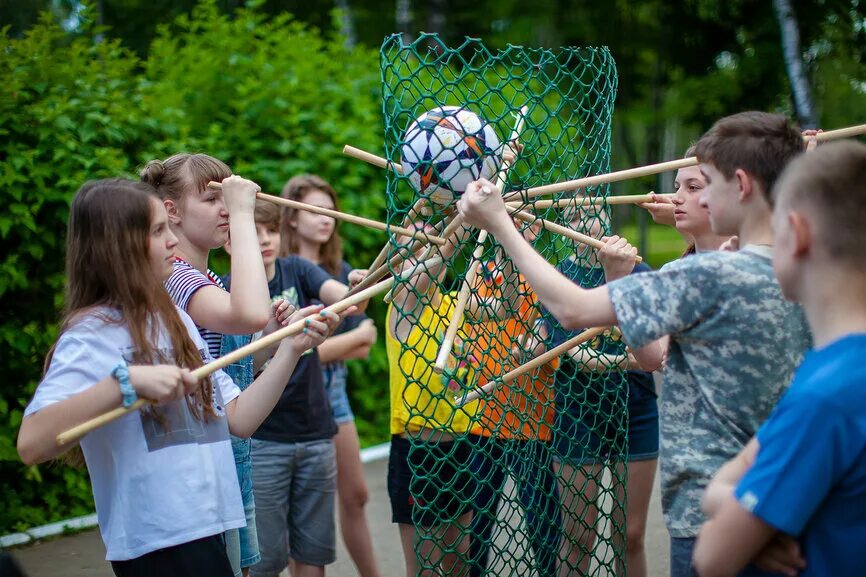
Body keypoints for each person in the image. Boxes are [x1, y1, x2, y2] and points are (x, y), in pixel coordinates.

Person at [456, 111, 812, 577]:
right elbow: (656, 355)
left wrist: (499, 223)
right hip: (786, 500)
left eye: (702, 183)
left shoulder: (704, 276)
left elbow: (574, 309)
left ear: (740, 185)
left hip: (714, 517)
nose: (685, 196)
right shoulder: (805, 269)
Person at [16, 179, 342, 577]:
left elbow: (238, 417)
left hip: (212, 526)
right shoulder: (91, 334)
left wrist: (291, 347)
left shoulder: (175, 321)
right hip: (157, 542)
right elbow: (32, 443)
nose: (173, 241)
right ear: (118, 245)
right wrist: (126, 383)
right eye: (157, 231)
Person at [693, 141, 866, 577]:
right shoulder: (830, 372)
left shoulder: (826, 396)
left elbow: (712, 557)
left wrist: (730, 508)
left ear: (797, 232)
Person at [141, 153, 272, 577]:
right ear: (172, 212)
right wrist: (243, 214)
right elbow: (247, 314)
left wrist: (282, 337)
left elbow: (239, 361)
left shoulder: (208, 280)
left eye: (225, 198)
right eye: (211, 198)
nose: (223, 209)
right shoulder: (176, 278)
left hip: (232, 454)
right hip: (204, 465)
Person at [225, 197, 367, 577]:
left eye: (271, 230)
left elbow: (346, 300)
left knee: (313, 554)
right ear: (230, 243)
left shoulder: (296, 270)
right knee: (265, 559)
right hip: (264, 440)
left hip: (315, 431)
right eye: (254, 234)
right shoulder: (225, 294)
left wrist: (356, 289)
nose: (267, 240)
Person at [539, 199, 659, 577]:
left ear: (606, 217)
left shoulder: (639, 272)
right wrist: (630, 356)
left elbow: (654, 343)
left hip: (636, 408)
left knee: (631, 534)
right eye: (572, 216)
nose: (584, 223)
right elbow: (579, 357)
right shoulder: (560, 278)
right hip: (578, 413)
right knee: (577, 537)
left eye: (591, 212)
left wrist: (640, 353)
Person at [279, 175, 381, 577]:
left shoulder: (339, 272)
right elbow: (276, 353)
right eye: (314, 210)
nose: (326, 219)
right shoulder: (281, 272)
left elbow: (367, 339)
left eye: (330, 211)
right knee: (298, 508)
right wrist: (307, 350)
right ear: (290, 218)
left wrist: (304, 349)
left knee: (355, 496)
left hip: (333, 396)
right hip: (288, 400)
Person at [466, 219, 561, 577]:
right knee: (477, 523)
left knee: (543, 524)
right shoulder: (481, 274)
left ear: (538, 229)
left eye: (526, 221)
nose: (519, 226)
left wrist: (541, 344)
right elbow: (469, 321)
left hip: (535, 421)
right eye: (510, 217)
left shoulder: (548, 276)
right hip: (483, 420)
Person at [386, 219, 480, 577]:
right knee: (424, 566)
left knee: (459, 555)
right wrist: (467, 215)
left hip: (459, 446)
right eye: (413, 248)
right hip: (417, 453)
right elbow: (442, 256)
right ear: (395, 263)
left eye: (429, 243)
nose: (425, 253)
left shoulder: (456, 303)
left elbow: (502, 308)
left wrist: (505, 236)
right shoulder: (402, 304)